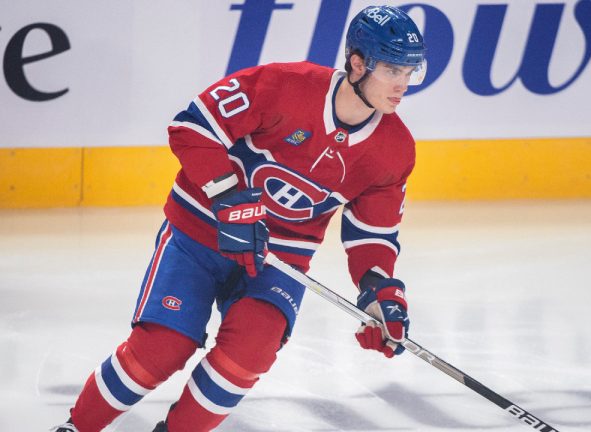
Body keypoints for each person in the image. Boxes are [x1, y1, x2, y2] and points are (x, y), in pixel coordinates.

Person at [53, 4, 427, 432]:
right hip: (199, 235)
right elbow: (192, 127)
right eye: (392, 71)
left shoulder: (394, 150)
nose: (403, 85)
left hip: (279, 259)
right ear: (357, 63)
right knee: (162, 348)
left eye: (410, 72)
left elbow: (371, 236)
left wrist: (379, 292)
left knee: (248, 353)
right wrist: (227, 195)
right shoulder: (285, 85)